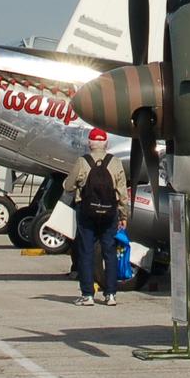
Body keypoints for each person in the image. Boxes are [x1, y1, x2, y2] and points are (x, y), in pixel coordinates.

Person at [63, 129, 129, 306]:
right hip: (110, 213)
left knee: (86, 252)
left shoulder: (82, 161)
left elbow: (68, 186)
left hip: (86, 212)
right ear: (106, 144)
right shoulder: (115, 162)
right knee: (110, 252)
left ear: (89, 143)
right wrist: (123, 215)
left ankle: (88, 295)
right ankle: (111, 295)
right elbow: (122, 192)